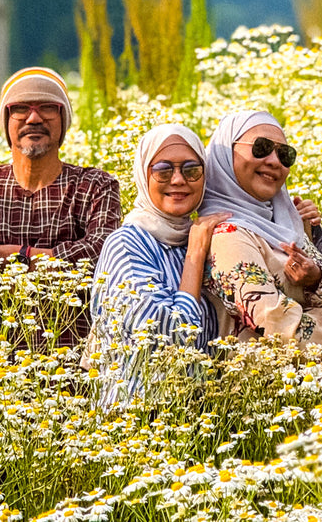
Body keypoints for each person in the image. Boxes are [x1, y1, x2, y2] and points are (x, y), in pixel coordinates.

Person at [202, 109, 322, 351]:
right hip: (264, 374)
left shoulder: (295, 222)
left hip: (321, 370)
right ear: (225, 152)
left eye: (284, 154)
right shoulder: (227, 234)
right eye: (261, 148)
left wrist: (317, 280)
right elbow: (283, 331)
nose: (274, 161)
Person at [87, 124, 230, 404]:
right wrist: (194, 256)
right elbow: (168, 339)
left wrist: (297, 221)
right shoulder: (127, 244)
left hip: (197, 414)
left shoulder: (202, 235)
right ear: (144, 175)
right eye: (163, 170)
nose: (178, 180)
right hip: (139, 415)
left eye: (191, 170)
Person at [0, 67, 122, 273]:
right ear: (6, 121)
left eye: (47, 108)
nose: (34, 119)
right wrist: (56, 260)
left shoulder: (94, 186)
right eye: (21, 108)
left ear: (63, 120)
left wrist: (20, 255)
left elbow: (101, 255)